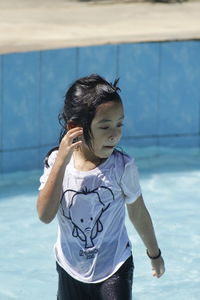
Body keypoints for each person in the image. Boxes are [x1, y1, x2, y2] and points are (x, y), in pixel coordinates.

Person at [37, 74, 165, 300]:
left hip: (114, 267)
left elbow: (138, 213)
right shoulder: (56, 163)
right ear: (75, 128)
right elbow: (45, 215)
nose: (115, 134)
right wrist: (61, 163)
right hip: (69, 269)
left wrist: (154, 254)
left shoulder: (122, 167)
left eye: (119, 124)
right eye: (105, 126)